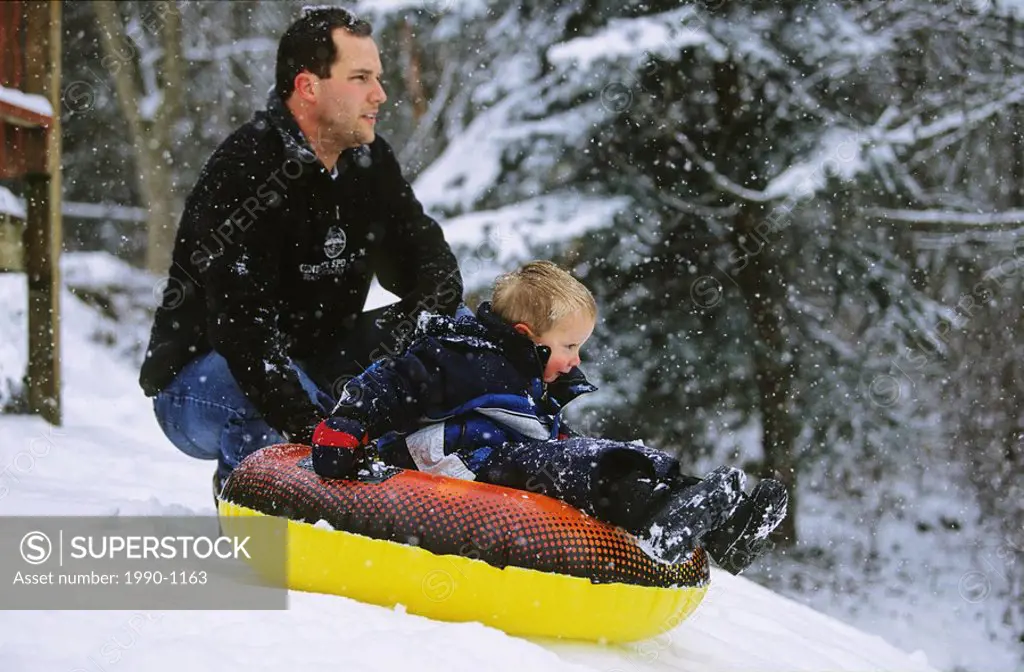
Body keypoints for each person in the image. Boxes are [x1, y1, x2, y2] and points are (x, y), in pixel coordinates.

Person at [138, 7, 463, 498]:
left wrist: (406, 368)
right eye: (360, 78)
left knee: (449, 333)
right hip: (202, 379)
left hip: (316, 363)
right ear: (308, 87)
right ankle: (259, 533)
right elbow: (240, 329)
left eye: (378, 77)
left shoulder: (369, 162)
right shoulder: (246, 168)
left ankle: (436, 504)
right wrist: (319, 426)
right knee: (268, 401)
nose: (380, 94)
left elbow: (430, 271)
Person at [312, 261, 788, 573]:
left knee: (604, 455)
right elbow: (388, 381)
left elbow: (554, 439)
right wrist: (346, 426)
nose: (576, 361)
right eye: (569, 346)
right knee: (576, 464)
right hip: (453, 460)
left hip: (504, 457)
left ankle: (722, 525)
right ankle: (662, 520)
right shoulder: (460, 355)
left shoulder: (530, 378)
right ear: (527, 336)